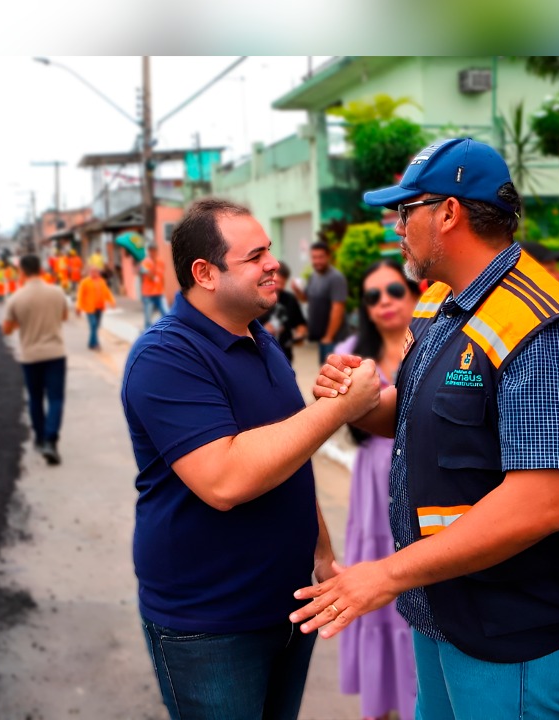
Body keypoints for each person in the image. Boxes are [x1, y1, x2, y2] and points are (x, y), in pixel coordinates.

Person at [292, 138, 559, 720]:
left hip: (509, 630)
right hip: (441, 610)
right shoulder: (437, 303)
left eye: (406, 211)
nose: (396, 227)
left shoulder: (541, 327)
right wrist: (355, 401)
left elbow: (542, 503)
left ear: (448, 213)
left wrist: (386, 574)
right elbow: (412, 415)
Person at [121, 197, 381, 719]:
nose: (273, 264)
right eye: (255, 256)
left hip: (287, 607)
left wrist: (321, 554)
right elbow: (225, 479)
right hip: (210, 626)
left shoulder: (261, 340)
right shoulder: (166, 356)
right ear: (205, 274)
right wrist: (339, 408)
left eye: (270, 251)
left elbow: (289, 458)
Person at [333, 259, 421, 720]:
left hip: (423, 479)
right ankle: (381, 704)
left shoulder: (435, 342)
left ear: (414, 292)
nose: (384, 301)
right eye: (373, 296)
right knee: (374, 586)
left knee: (419, 587)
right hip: (372, 485)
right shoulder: (352, 354)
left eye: (394, 290)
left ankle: (419, 702)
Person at [2, 254, 71, 466]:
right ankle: (51, 439)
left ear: (21, 272)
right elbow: (64, 317)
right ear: (41, 269)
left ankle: (40, 439)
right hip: (55, 353)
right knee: (56, 398)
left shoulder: (16, 298)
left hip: (30, 356)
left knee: (35, 398)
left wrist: (22, 323)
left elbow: (6, 329)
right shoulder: (57, 292)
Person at [292, 241, 348, 365]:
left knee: (335, 373)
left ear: (328, 257)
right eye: (314, 257)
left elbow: (338, 309)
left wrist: (329, 336)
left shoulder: (336, 278)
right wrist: (297, 291)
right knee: (324, 370)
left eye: (321, 257)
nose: (317, 261)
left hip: (334, 340)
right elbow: (306, 299)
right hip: (322, 339)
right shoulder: (313, 276)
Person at [258, 261, 308, 365]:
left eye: (283, 284)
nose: (279, 287)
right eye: (276, 282)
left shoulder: (289, 299)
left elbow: (300, 323)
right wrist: (263, 330)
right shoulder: (255, 299)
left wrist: (300, 334)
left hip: (284, 357)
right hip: (259, 358)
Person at [75, 264, 115, 350]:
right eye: (92, 271)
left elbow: (107, 292)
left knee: (96, 326)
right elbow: (80, 295)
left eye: (96, 271)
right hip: (90, 308)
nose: (94, 273)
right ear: (89, 272)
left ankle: (91, 343)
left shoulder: (102, 281)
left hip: (99, 307)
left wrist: (112, 301)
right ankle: (96, 344)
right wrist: (78, 307)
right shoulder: (85, 282)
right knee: (93, 324)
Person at [139, 242, 170, 329]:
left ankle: (161, 328)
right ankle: (148, 333)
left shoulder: (161, 262)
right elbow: (149, 276)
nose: (153, 252)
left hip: (159, 293)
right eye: (151, 251)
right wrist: (152, 266)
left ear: (156, 251)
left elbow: (162, 277)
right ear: (149, 251)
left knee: (167, 314)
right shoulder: (145, 263)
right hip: (148, 295)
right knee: (148, 319)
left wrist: (163, 288)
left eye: (154, 250)